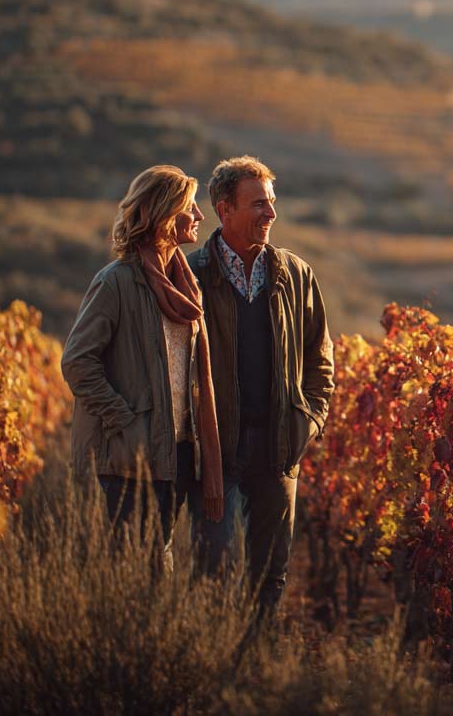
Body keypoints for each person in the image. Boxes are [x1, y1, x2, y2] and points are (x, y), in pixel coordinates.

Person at [188, 155, 334, 614]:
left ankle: (252, 663)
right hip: (216, 448)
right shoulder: (192, 275)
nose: (271, 214)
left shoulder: (295, 274)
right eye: (258, 205)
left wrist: (307, 421)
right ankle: (209, 665)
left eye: (272, 203)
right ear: (223, 209)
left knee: (271, 571)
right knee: (213, 565)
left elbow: (320, 358)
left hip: (277, 446)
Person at [63, 165, 225, 562]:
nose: (200, 216)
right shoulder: (116, 282)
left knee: (159, 554)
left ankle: (151, 625)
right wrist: (124, 419)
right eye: (190, 207)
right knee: (134, 561)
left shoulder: (186, 285)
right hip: (131, 453)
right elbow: (78, 362)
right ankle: (131, 626)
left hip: (179, 451)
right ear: (165, 214)